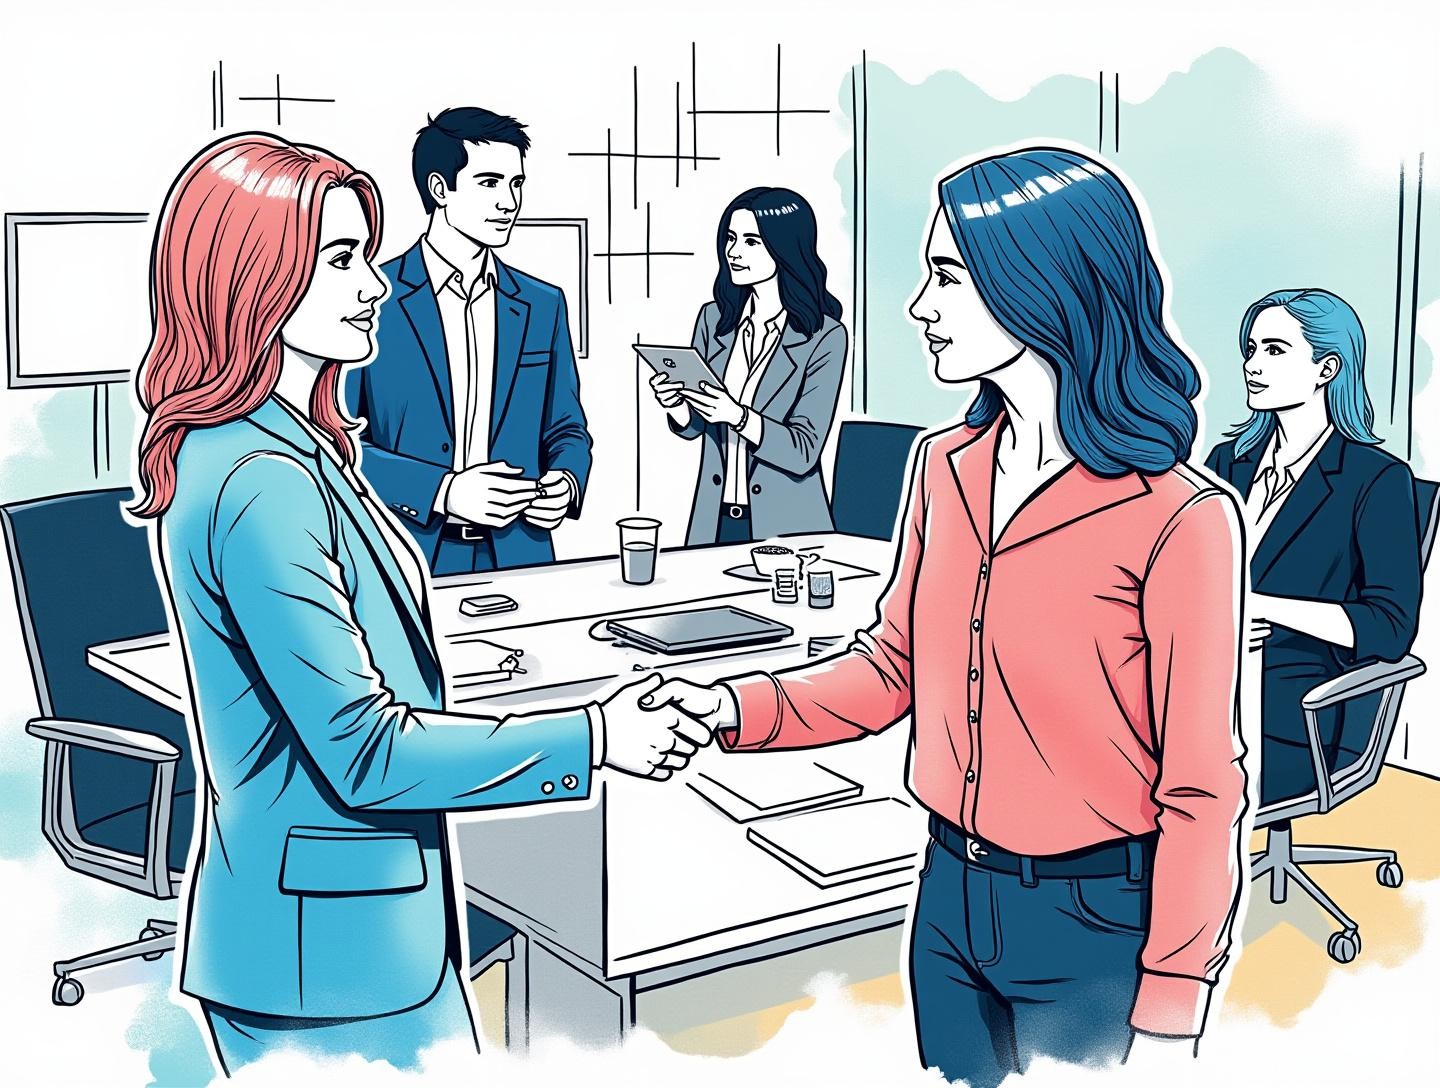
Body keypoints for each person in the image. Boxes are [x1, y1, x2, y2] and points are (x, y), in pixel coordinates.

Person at [640, 148, 1248, 1085]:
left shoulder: (1182, 518)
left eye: (947, 277)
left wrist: (1173, 1003)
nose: (922, 306)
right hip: (949, 903)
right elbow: (890, 668)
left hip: (1096, 919)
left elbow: (1202, 786)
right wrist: (732, 706)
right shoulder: (944, 465)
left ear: (1040, 287)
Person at [131, 133, 709, 1076]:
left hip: (344, 930)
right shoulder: (259, 478)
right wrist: (596, 737)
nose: (369, 286)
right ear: (254, 279)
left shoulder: (290, 445)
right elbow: (365, 752)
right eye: (340, 259)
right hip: (325, 959)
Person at [344, 107, 592, 576]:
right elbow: (339, 442)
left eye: (516, 184)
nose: (509, 202)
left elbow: (567, 428)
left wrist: (565, 482)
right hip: (409, 554)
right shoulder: (373, 296)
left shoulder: (543, 304)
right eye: (490, 183)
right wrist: (442, 491)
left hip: (521, 555)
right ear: (440, 189)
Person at [1205, 289, 1421, 805]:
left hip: (1296, 714)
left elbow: (1389, 628)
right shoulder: (1227, 462)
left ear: (1326, 368)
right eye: (1251, 349)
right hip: (1202, 683)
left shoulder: (1376, 480)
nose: (1252, 366)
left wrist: (1263, 610)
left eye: (1275, 350)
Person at [649, 187, 847, 545]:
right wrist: (677, 406)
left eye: (752, 241)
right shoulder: (714, 320)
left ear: (785, 248)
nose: (734, 252)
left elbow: (803, 451)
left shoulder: (824, 336)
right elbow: (697, 428)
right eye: (731, 238)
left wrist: (738, 416)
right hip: (716, 519)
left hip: (789, 527)